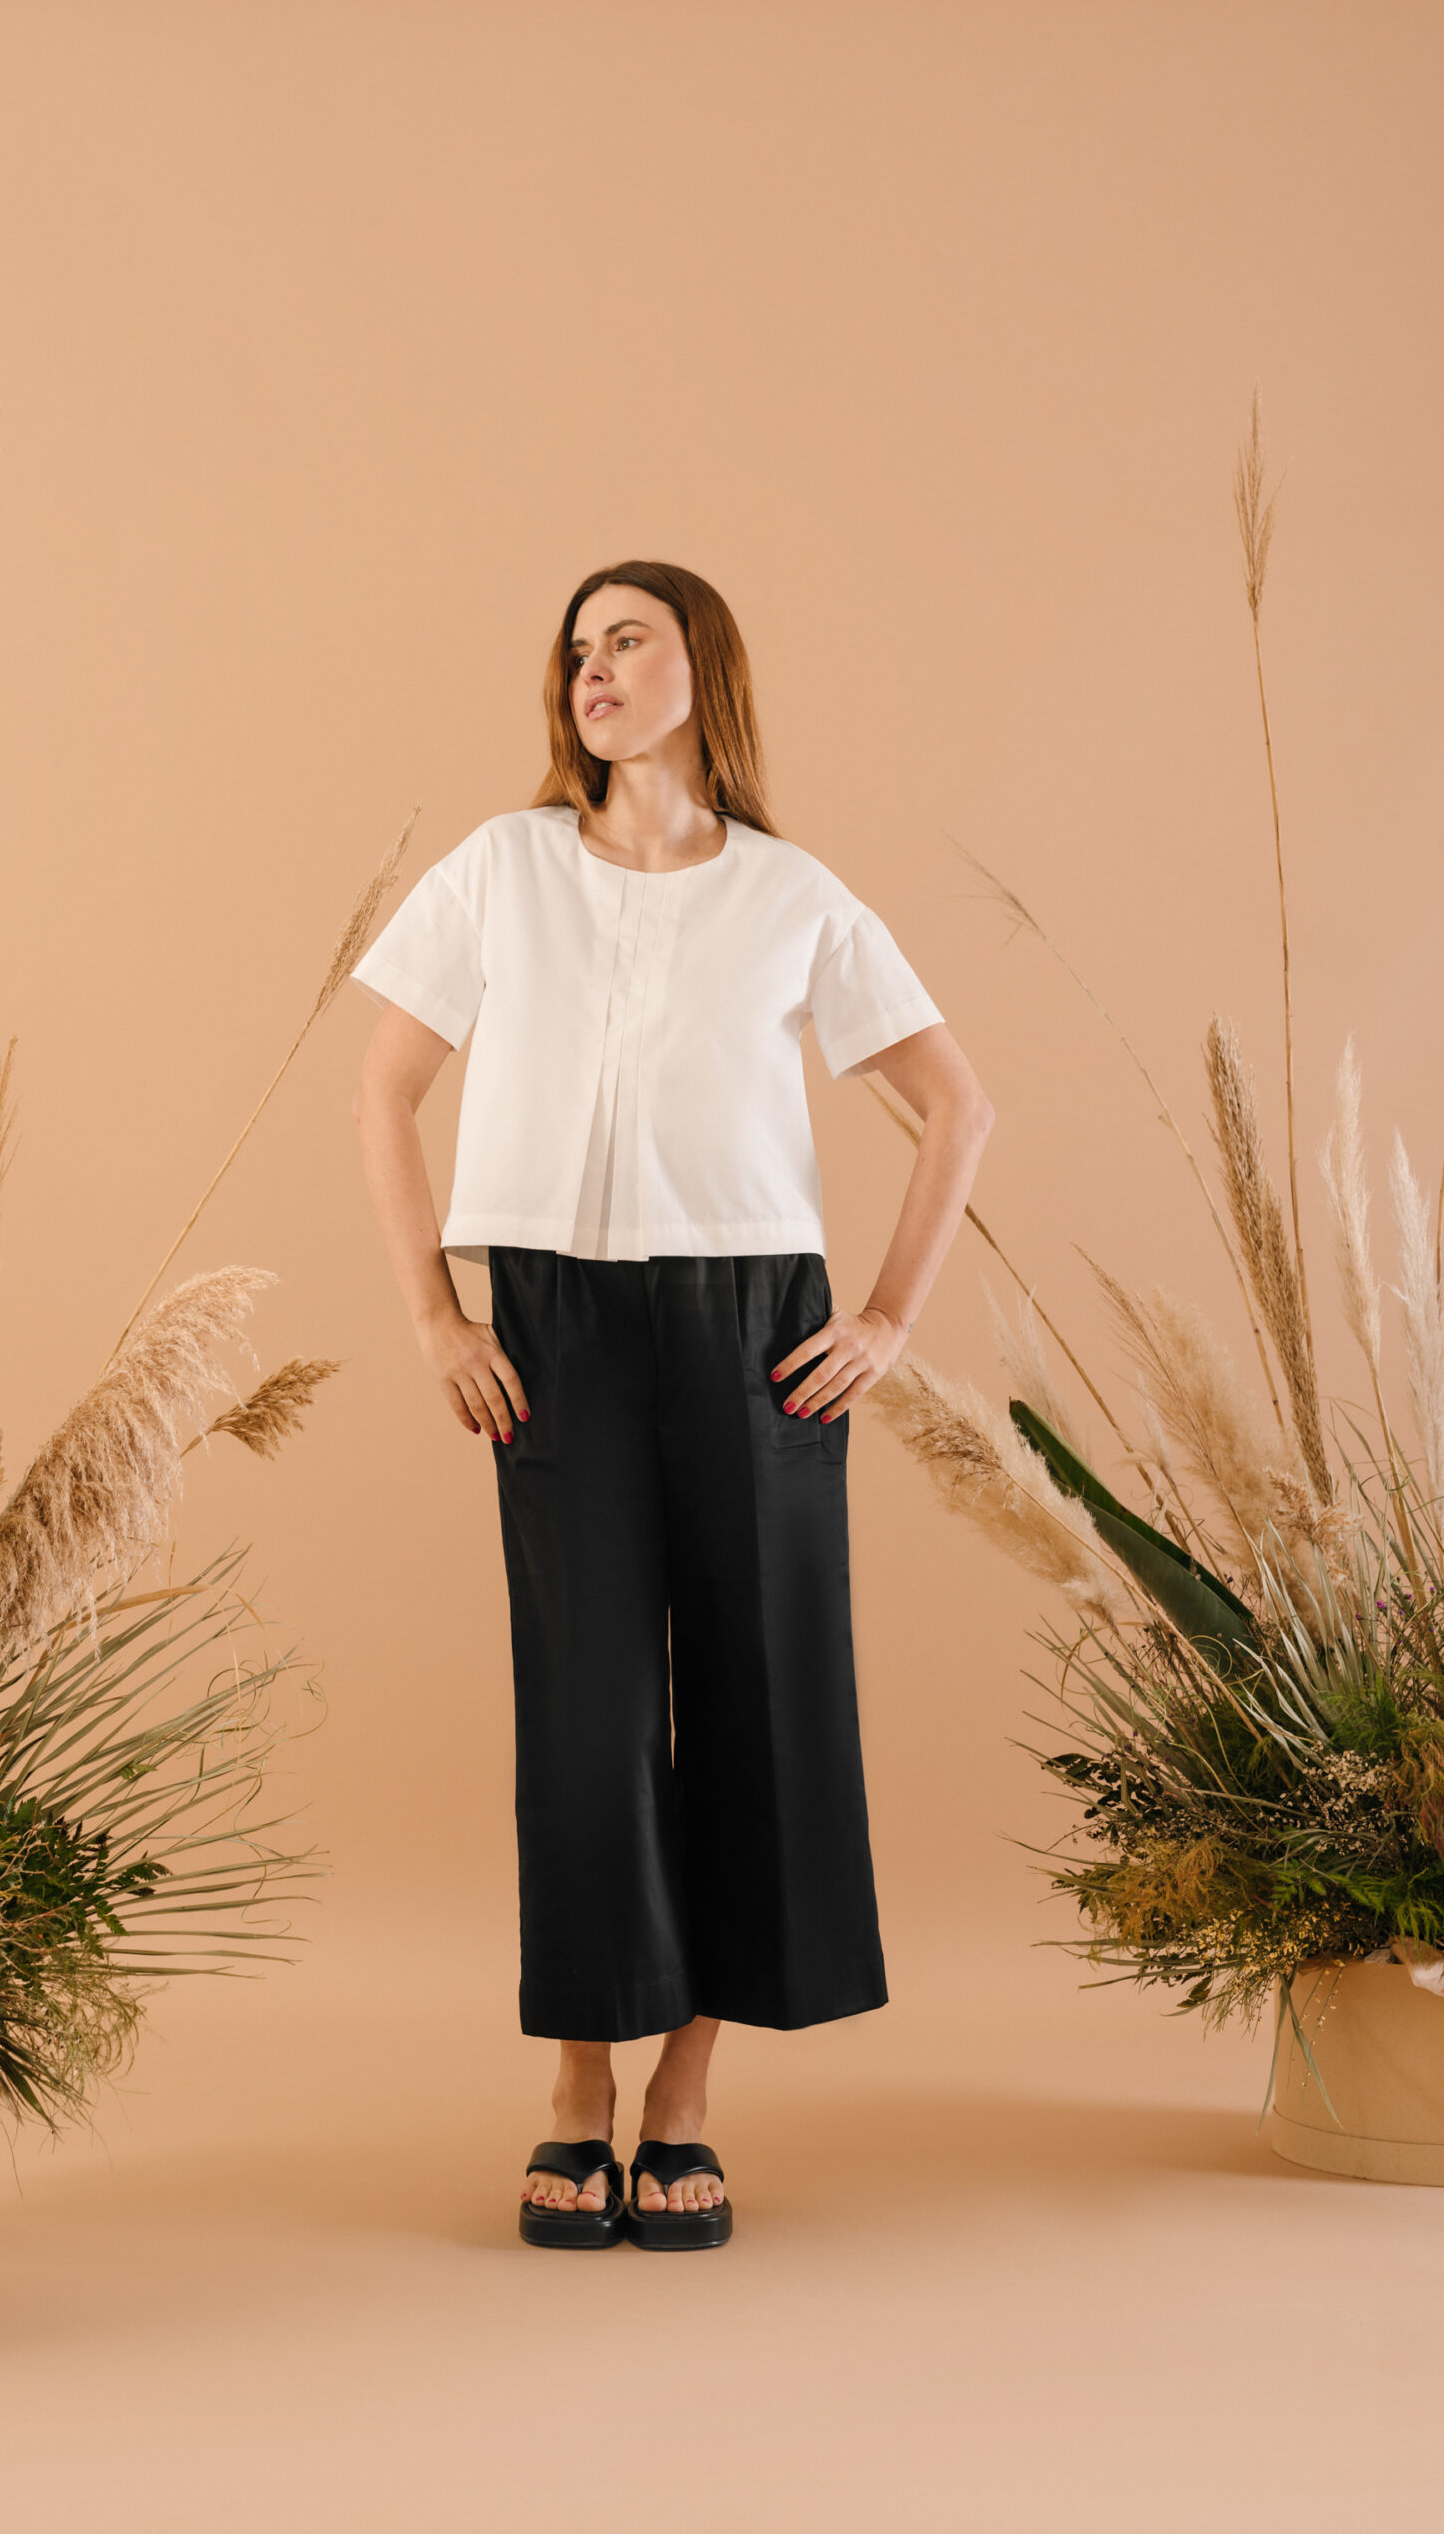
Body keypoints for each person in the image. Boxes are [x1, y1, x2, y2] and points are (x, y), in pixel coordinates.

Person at [351, 560, 994, 2250]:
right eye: (576, 648)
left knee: (755, 1694)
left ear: (701, 666)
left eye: (625, 640)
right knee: (584, 1708)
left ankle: (685, 2099)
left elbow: (956, 1106)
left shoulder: (790, 895)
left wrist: (885, 1320)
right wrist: (433, 1313)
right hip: (553, 1322)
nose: (592, 669)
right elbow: (383, 1090)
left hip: (751, 1324)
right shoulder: (501, 869)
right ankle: (579, 2087)